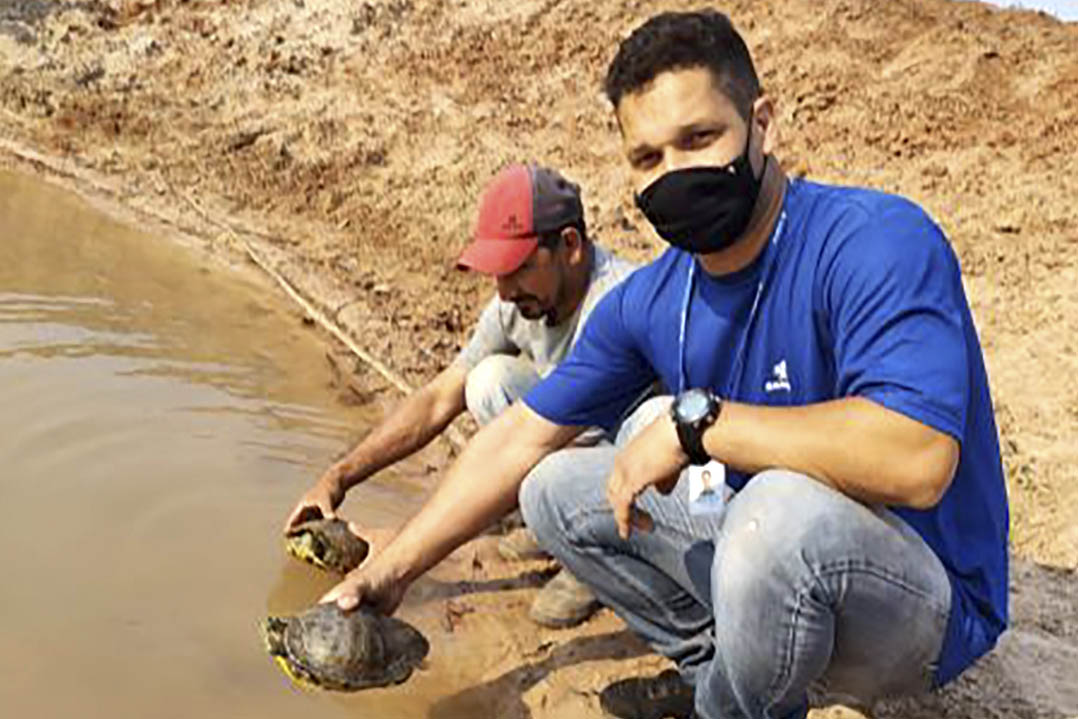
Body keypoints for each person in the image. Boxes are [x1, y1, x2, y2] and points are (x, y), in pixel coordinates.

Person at [319, 10, 1008, 719]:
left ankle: (730, 707)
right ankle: (716, 673)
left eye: (700, 138)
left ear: (763, 124)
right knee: (553, 486)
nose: (675, 174)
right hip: (762, 553)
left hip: (921, 603)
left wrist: (698, 426)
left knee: (772, 512)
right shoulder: (656, 296)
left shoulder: (874, 241)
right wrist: (392, 570)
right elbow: (519, 435)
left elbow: (918, 459)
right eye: (648, 158)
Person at [285, 162, 639, 629]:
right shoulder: (521, 304)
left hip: (640, 468)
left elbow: (536, 445)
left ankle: (599, 557)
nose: (505, 290)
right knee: (487, 380)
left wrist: (406, 548)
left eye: (517, 268)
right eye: (497, 272)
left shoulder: (617, 304)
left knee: (550, 464)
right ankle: (550, 522)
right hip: (568, 440)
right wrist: (339, 476)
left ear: (569, 246)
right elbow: (437, 399)